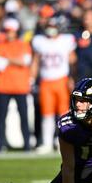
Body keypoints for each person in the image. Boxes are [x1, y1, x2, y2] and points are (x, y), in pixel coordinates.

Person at [31, 15, 77, 154]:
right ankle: (46, 143)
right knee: (47, 114)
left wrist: (72, 78)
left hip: (61, 80)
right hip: (46, 81)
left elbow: (72, 61)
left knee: (63, 114)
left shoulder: (66, 41)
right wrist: (31, 79)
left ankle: (63, 143)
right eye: (49, 27)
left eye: (54, 27)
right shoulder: (40, 41)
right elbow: (36, 62)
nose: (51, 30)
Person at [0, 18, 32, 152]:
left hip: (20, 86)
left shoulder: (23, 45)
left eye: (11, 31)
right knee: (1, 117)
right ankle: (0, 145)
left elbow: (25, 61)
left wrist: (7, 59)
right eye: (7, 31)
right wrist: (15, 61)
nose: (9, 33)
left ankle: (27, 144)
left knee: (24, 117)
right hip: (3, 86)